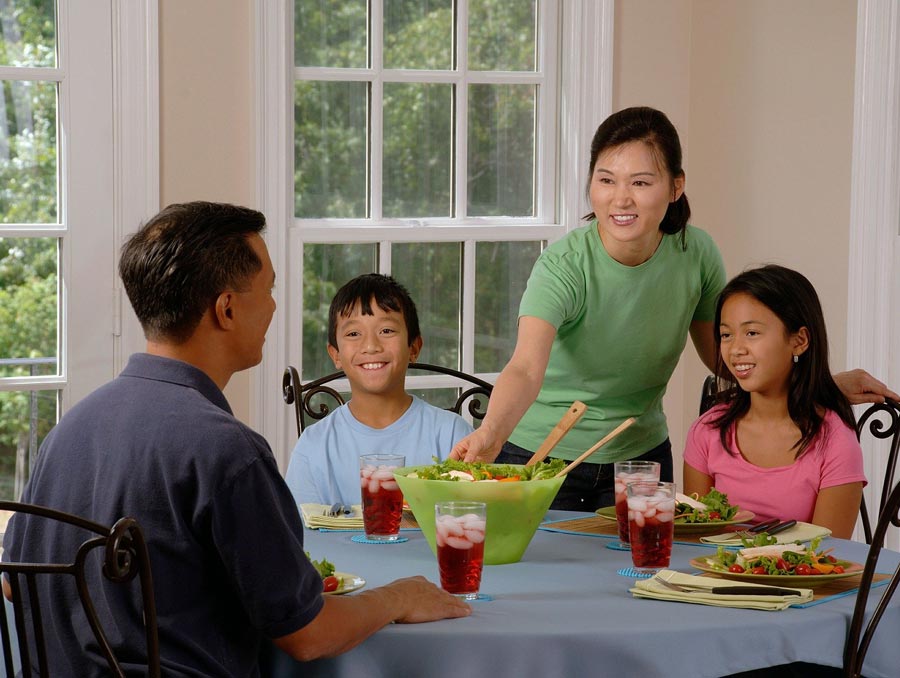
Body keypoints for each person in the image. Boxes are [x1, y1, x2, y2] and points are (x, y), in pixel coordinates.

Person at [2, 202, 469, 676]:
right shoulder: (225, 451)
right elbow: (310, 634)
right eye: (268, 290)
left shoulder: (67, 432)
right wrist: (399, 595)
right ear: (226, 308)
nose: (271, 306)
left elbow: (15, 585)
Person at [450, 106, 898, 512]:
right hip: (540, 455)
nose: (620, 199)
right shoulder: (564, 267)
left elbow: (725, 356)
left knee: (644, 587)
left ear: (675, 186)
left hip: (640, 459)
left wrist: (818, 382)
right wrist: (491, 436)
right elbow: (526, 369)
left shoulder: (696, 252)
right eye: (606, 180)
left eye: (640, 182)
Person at [682, 265, 868, 539]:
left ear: (799, 341)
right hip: (712, 579)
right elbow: (693, 540)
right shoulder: (707, 431)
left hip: (800, 581)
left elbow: (829, 555)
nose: (736, 349)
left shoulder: (835, 442)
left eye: (752, 333)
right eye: (726, 334)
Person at [284, 273, 473, 506]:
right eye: (354, 334)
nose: (371, 346)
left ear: (414, 347)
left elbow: (471, 519)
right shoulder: (314, 445)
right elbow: (299, 536)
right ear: (336, 355)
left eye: (386, 331)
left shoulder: (452, 435)